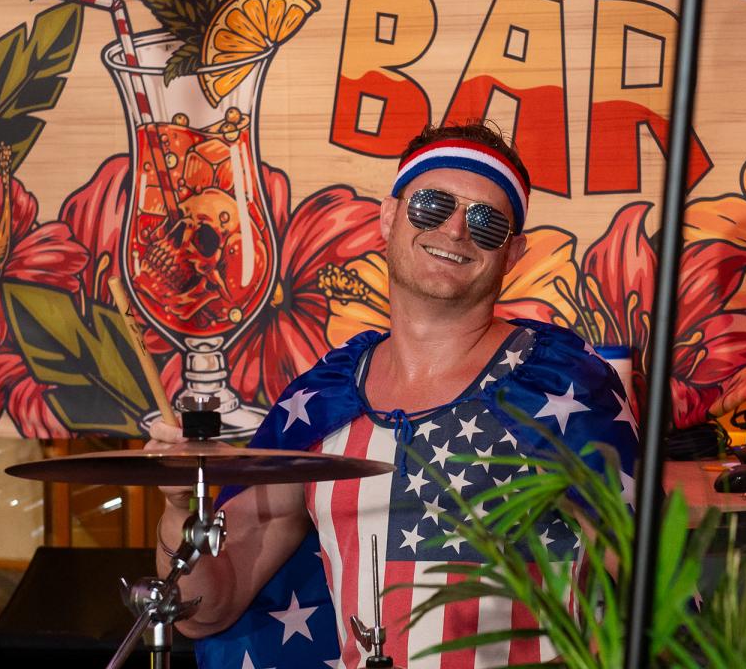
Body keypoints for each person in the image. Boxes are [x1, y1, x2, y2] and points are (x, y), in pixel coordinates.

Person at [148, 122, 639, 668]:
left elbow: (649, 592)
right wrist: (178, 507)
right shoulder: (324, 402)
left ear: (514, 253)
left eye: (487, 222)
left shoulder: (557, 384)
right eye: (432, 206)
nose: (455, 230)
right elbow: (204, 611)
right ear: (388, 217)